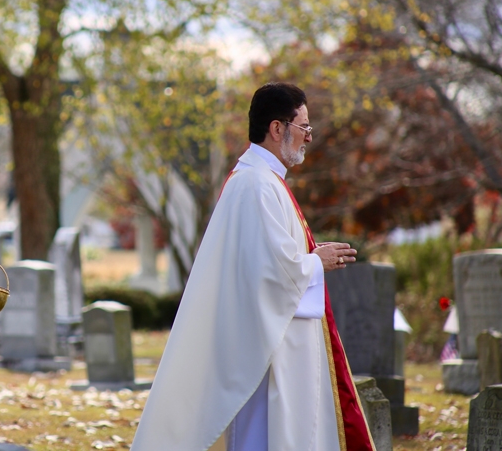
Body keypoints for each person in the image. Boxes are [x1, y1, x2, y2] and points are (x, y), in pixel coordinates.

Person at [131, 83, 375, 451]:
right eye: (304, 127)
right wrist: (314, 262)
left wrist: (309, 254)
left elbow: (272, 260)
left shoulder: (262, 181)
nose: (309, 137)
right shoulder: (257, 185)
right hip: (270, 356)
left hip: (280, 346)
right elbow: (267, 276)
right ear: (277, 129)